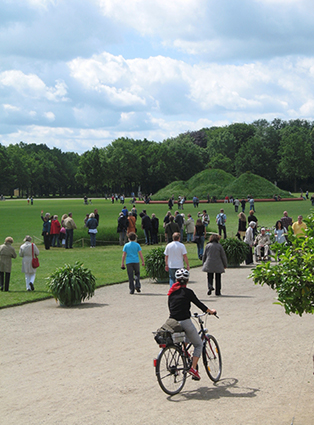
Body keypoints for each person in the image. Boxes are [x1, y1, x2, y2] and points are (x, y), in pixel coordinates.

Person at [167, 268, 217, 380]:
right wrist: (210, 311)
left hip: (173, 322)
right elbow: (199, 304)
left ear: (176, 279)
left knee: (187, 338)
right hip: (185, 321)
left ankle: (184, 351)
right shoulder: (188, 292)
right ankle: (193, 368)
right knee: (198, 344)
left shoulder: (171, 292)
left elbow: (171, 308)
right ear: (187, 280)